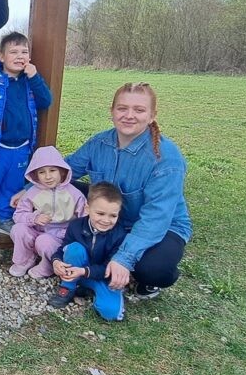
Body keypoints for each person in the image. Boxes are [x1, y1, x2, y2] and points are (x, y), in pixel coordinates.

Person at [59, 82, 192, 299]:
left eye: (139, 110)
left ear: (152, 115)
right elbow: (65, 171)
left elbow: (156, 217)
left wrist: (124, 258)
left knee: (153, 269)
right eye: (122, 108)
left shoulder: (167, 159)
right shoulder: (99, 142)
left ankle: (147, 278)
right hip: (110, 214)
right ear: (112, 111)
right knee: (57, 187)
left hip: (160, 224)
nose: (129, 116)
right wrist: (29, 191)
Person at [0, 32, 52, 241]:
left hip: (22, 146)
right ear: (1, 56)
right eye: (14, 52)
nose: (20, 56)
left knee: (13, 185)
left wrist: (34, 77)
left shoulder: (29, 81)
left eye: (24, 52)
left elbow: (45, 101)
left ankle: (5, 217)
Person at [46, 182, 127, 321]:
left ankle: (89, 287)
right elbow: (63, 249)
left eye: (113, 216)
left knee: (111, 313)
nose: (106, 220)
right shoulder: (76, 226)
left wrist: (84, 272)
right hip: (77, 271)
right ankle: (68, 287)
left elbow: (109, 268)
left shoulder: (120, 235)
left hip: (103, 277)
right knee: (74, 249)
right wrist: (56, 261)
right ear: (87, 209)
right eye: (100, 213)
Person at [9, 146, 86, 278]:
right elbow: (18, 215)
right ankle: (25, 260)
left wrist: (75, 234)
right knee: (18, 229)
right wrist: (34, 218)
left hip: (59, 237)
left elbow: (85, 217)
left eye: (52, 170)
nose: (48, 176)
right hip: (37, 230)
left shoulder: (74, 193)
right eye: (42, 172)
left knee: (44, 241)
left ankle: (48, 265)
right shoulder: (32, 192)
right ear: (35, 175)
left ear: (62, 171)